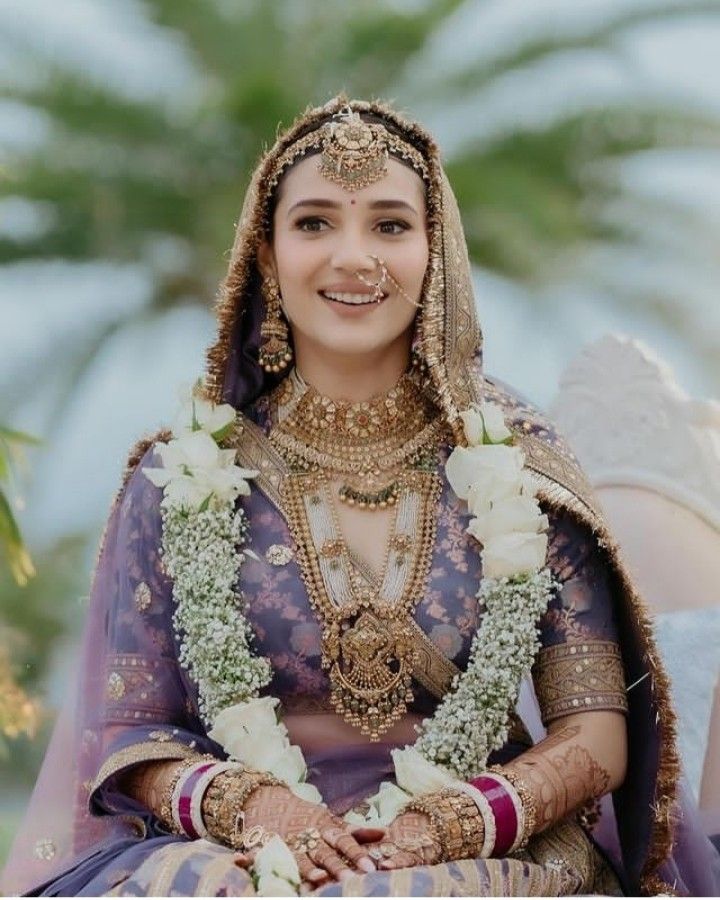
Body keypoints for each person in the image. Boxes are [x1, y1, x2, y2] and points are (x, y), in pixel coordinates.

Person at [2, 96, 719, 897]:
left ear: (434, 252)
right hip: (237, 852)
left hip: (480, 853)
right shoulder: (178, 479)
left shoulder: (520, 466)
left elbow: (594, 733)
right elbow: (133, 733)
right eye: (314, 223)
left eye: (388, 225)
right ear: (267, 258)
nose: (353, 256)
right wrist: (262, 812)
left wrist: (447, 824)